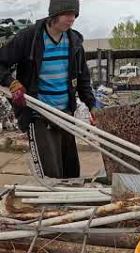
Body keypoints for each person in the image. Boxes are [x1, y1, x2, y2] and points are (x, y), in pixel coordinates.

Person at [0, 0, 96, 179]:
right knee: (51, 174)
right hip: (39, 114)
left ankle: (69, 205)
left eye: (74, 14)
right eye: (67, 13)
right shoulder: (29, 38)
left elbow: (83, 80)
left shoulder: (74, 42)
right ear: (54, 14)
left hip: (65, 114)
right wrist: (11, 82)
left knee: (71, 172)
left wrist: (92, 105)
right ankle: (54, 205)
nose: (72, 18)